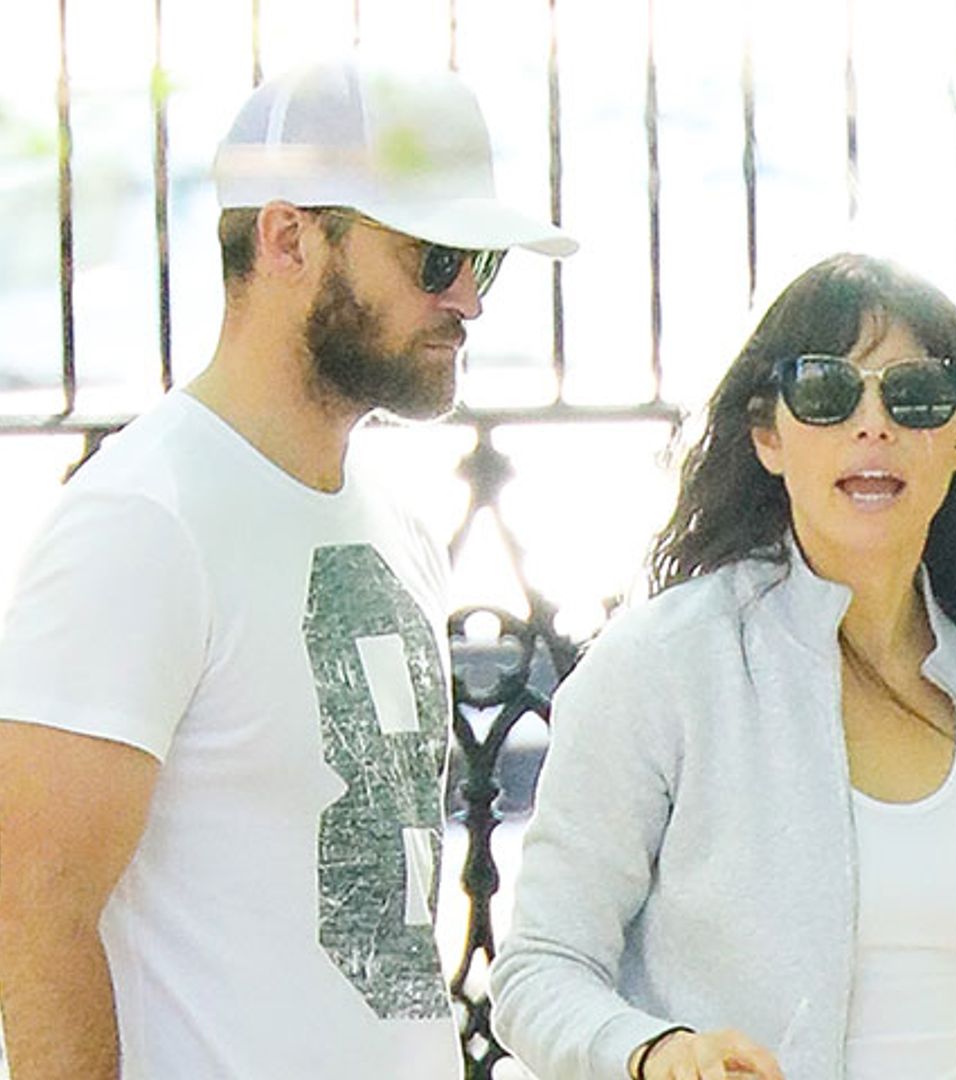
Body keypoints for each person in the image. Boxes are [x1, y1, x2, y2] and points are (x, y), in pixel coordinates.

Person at [0, 57, 575, 1079]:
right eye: (436, 257)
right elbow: (31, 912)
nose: (468, 302)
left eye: (483, 264)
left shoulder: (394, 519)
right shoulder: (143, 520)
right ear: (288, 239)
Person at [489, 253, 956, 1080]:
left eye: (914, 395)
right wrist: (657, 1054)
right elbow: (537, 971)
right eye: (826, 391)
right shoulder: (664, 664)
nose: (872, 425)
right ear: (767, 435)